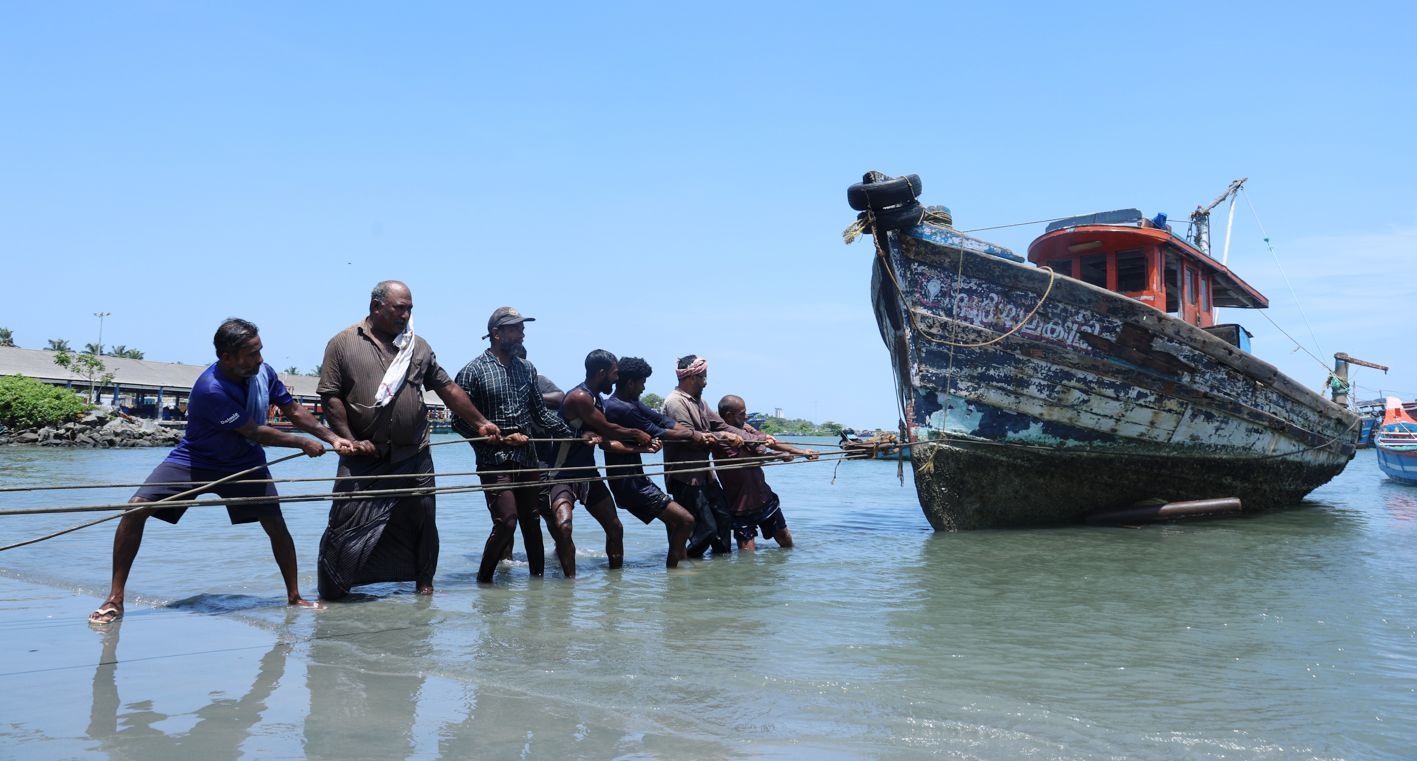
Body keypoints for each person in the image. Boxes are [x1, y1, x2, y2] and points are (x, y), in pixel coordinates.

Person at [87, 318, 354, 625]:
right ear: (227, 357)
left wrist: (332, 438)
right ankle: (114, 599)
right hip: (195, 461)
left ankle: (294, 597)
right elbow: (254, 431)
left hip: (244, 462)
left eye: (260, 350)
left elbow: (293, 409)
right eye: (252, 354)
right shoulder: (211, 388)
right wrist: (300, 443)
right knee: (136, 509)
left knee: (275, 524)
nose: (260, 359)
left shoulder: (263, 374)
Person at [316, 281, 500, 601]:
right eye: (399, 308)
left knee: (423, 522)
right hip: (363, 456)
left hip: (414, 454)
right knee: (346, 524)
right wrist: (349, 441)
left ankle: (424, 590)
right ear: (376, 307)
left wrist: (481, 422)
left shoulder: (417, 347)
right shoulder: (343, 344)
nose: (406, 315)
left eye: (410, 309)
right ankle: (333, 593)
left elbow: (447, 388)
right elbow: (331, 398)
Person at [453, 307, 592, 583]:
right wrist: (497, 437)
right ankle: (484, 582)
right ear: (496, 333)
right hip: (494, 460)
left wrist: (574, 437)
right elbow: (459, 422)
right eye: (516, 328)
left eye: (522, 328)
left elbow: (540, 415)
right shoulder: (473, 371)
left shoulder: (527, 369)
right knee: (506, 522)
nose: (522, 333)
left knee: (532, 523)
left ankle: (536, 585)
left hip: (527, 459)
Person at [541, 349, 653, 575]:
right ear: (601, 373)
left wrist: (643, 445)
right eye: (614, 373)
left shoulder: (597, 399)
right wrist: (636, 433)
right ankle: (569, 583)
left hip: (589, 474)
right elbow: (608, 428)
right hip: (562, 476)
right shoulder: (580, 397)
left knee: (615, 527)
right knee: (564, 528)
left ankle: (615, 582)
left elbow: (604, 436)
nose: (617, 378)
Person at [600, 356, 700, 568]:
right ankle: (674, 572)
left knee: (675, 523)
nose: (644, 387)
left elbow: (661, 420)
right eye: (642, 382)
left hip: (637, 479)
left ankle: (681, 567)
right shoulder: (621, 409)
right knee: (686, 520)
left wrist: (689, 432)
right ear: (630, 383)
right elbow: (656, 431)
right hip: (629, 484)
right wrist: (693, 435)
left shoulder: (631, 403)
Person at [661, 354, 742, 557]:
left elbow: (722, 425)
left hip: (706, 475)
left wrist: (756, 436)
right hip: (685, 477)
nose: (705, 382)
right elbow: (690, 436)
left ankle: (720, 571)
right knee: (706, 530)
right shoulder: (676, 403)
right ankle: (683, 561)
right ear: (690, 377)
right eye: (702, 377)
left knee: (724, 519)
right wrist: (722, 436)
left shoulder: (701, 403)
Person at [714, 395, 818, 551]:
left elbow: (772, 442)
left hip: (763, 498)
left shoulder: (745, 428)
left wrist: (802, 451)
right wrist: (779, 457)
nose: (746, 416)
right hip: (740, 506)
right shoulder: (722, 438)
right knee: (747, 557)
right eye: (742, 413)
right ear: (729, 416)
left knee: (786, 542)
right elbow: (750, 460)